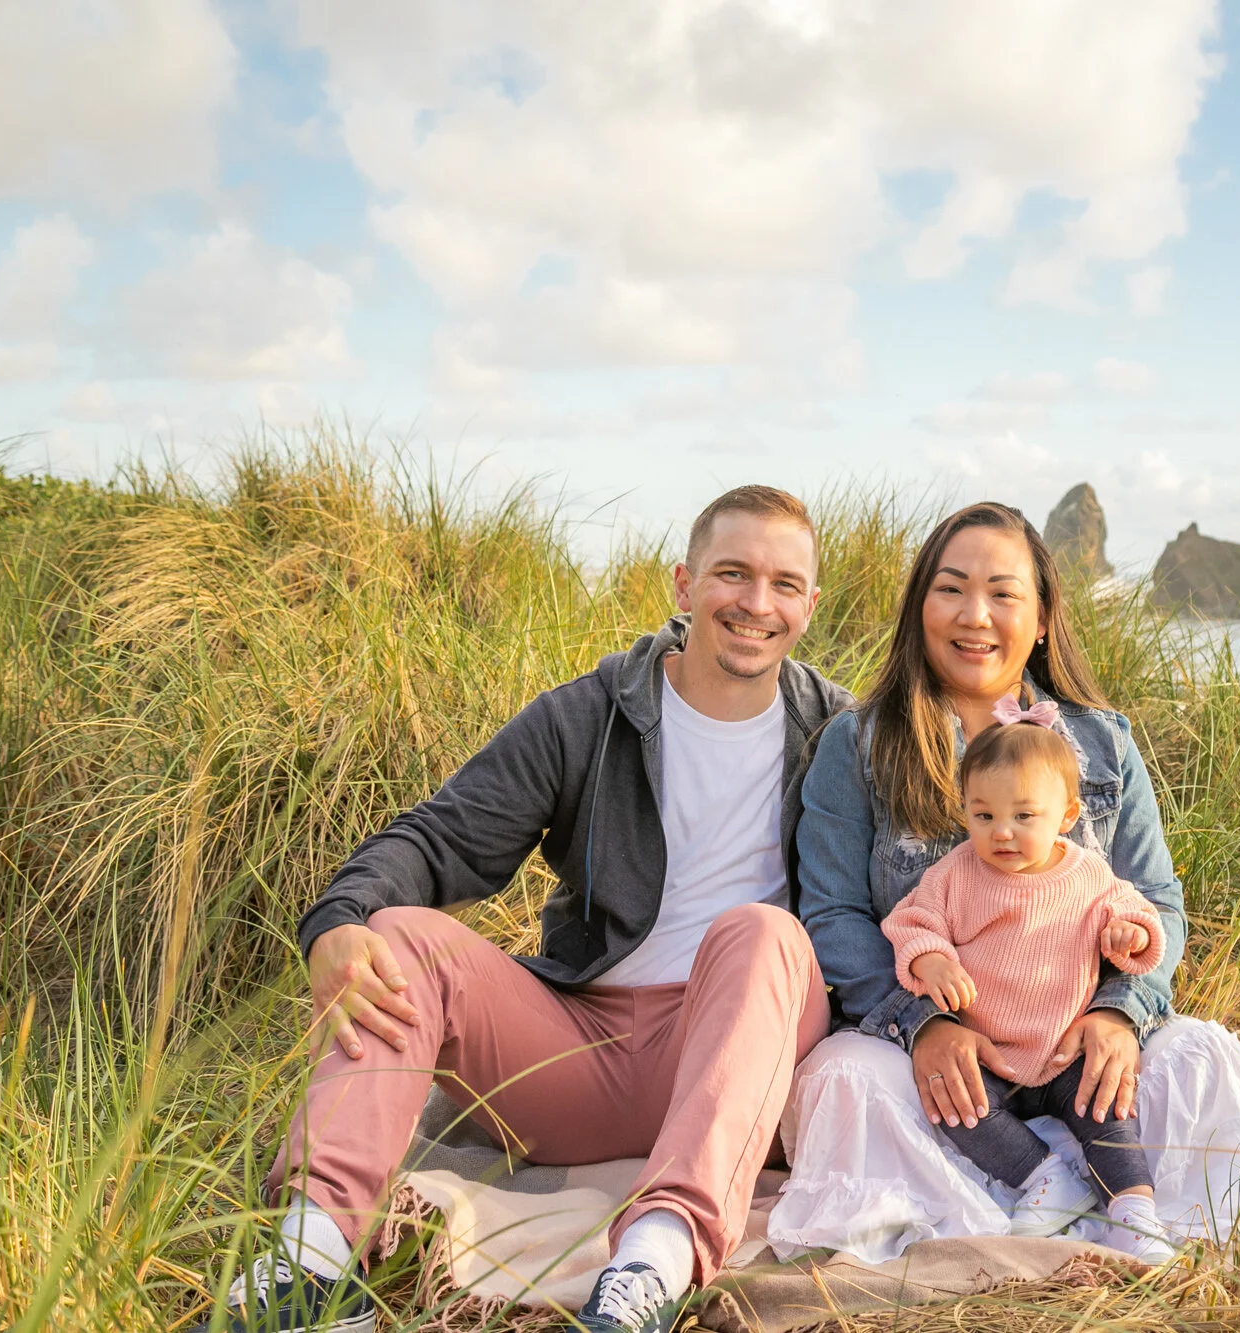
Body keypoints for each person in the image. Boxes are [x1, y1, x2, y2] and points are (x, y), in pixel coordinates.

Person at [197, 486, 853, 1333]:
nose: (757, 604)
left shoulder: (839, 731)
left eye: (784, 583)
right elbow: (443, 838)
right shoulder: (588, 715)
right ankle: (311, 1259)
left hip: (738, 1054)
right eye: (733, 573)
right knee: (398, 937)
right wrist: (338, 920)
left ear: (809, 603)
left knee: (762, 931)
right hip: (579, 1052)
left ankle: (652, 1264)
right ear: (685, 585)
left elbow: (942, 874)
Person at [768, 501, 1240, 1265]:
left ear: (1041, 617)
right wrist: (923, 1023)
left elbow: (1158, 904)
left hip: (1078, 1058)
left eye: (1003, 593)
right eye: (951, 588)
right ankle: (1016, 1196)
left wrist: (1119, 1012)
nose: (975, 615)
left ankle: (1117, 1205)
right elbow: (834, 913)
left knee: (1208, 1056)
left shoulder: (1102, 744)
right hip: (945, 1075)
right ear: (920, 607)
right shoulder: (860, 742)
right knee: (842, 1079)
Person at [883, 709, 1174, 1264]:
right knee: (961, 1109)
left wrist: (1127, 935)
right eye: (983, 814)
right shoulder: (955, 874)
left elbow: (1141, 916)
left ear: (1066, 815)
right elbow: (911, 923)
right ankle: (1045, 1174)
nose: (1001, 832)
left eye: (1023, 815)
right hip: (989, 1053)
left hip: (1065, 1050)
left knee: (1108, 1107)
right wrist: (932, 961)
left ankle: (1134, 1211)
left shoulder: (1087, 874)